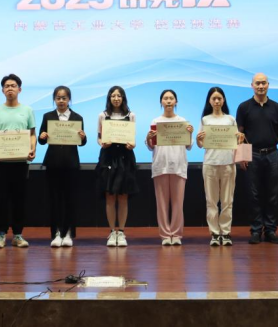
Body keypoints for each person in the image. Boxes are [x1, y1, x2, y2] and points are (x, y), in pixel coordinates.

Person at [236, 73, 278, 244]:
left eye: (263, 83)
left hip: (273, 154)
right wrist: (241, 155)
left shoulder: (276, 107)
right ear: (252, 85)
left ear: (268, 85)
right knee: (254, 195)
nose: (261, 86)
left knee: (272, 195)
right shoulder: (244, 107)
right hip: (252, 154)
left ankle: (271, 230)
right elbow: (239, 133)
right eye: (257, 83)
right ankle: (256, 231)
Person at [0, 74, 36, 249]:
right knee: (1, 198)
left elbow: (32, 134)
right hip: (1, 162)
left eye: (13, 86)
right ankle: (0, 234)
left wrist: (32, 150)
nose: (10, 88)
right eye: (7, 86)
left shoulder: (27, 110)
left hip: (21, 161)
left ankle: (17, 234)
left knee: (19, 199)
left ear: (19, 89)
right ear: (2, 90)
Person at [38, 86, 87, 247]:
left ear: (69, 99)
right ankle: (56, 233)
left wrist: (83, 137)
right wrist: (42, 136)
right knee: (54, 199)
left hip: (71, 164)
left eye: (64, 98)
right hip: (53, 163)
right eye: (58, 98)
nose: (61, 101)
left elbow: (82, 143)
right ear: (54, 99)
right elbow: (42, 140)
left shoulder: (77, 118)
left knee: (70, 199)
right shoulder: (48, 116)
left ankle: (68, 233)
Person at [146, 89, 193, 246]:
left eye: (171, 98)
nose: (168, 101)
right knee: (162, 204)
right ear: (161, 102)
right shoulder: (155, 121)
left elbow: (188, 146)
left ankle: (177, 234)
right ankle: (165, 235)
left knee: (178, 204)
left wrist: (190, 134)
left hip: (178, 165)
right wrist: (148, 138)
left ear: (176, 101)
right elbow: (151, 147)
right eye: (165, 98)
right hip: (160, 165)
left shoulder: (182, 121)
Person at [196, 86, 239, 247]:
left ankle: (225, 232)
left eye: (219, 98)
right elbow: (201, 145)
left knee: (227, 201)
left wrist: (240, 139)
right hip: (210, 163)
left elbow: (236, 143)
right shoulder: (205, 120)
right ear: (209, 100)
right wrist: (199, 139)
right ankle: (214, 233)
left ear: (223, 100)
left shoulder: (230, 119)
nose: (216, 101)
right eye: (213, 98)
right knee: (211, 201)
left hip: (228, 163)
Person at [96, 85, 138, 247]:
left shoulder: (130, 115)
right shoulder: (103, 115)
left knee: (123, 196)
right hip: (108, 157)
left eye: (119, 96)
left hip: (125, 157)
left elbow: (132, 138)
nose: (116, 98)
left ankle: (121, 232)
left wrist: (132, 144)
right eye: (113, 96)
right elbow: (99, 137)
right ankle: (112, 231)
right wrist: (102, 143)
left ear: (123, 98)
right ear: (109, 98)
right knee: (110, 195)